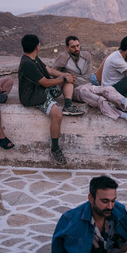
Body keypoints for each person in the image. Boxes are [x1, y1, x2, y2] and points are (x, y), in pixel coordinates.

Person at [51, 175, 127, 253]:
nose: (110, 206)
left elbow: (125, 242)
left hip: (110, 252)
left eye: (113, 200)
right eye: (105, 201)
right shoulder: (72, 222)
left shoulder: (118, 211)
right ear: (91, 198)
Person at [18, 34, 83, 166]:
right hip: (33, 95)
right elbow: (46, 83)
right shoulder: (27, 63)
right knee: (57, 114)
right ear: (37, 46)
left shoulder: (33, 58)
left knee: (67, 79)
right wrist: (64, 79)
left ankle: (68, 105)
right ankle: (54, 149)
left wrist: (64, 75)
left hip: (41, 89)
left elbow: (48, 70)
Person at [52, 36, 127, 127]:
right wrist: (65, 76)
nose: (76, 48)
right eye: (73, 47)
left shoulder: (86, 55)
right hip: (75, 89)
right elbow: (53, 72)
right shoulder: (63, 57)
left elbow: (88, 75)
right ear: (67, 48)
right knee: (99, 100)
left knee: (107, 89)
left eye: (78, 45)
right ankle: (125, 116)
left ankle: (124, 101)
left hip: (88, 84)